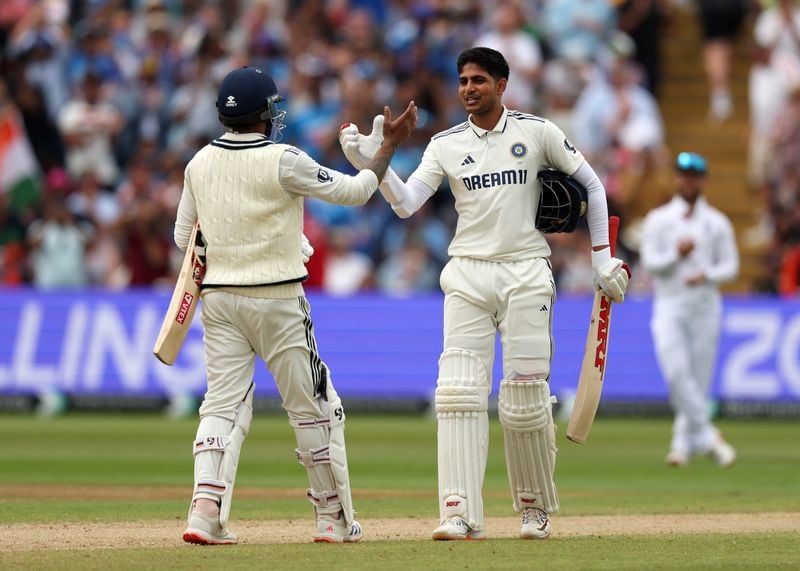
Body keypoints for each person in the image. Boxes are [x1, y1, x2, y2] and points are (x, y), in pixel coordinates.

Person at [339, 47, 630, 540]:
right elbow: (408, 205)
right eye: (462, 80)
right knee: (456, 394)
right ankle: (459, 512)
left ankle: (533, 509)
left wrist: (602, 258)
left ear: (501, 84)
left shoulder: (537, 132)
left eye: (478, 80)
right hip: (468, 274)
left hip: (526, 272)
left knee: (523, 400)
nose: (468, 88)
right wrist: (377, 164)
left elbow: (593, 187)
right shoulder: (446, 144)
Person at [174, 66, 417, 545]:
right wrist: (387, 146)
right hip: (278, 298)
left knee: (221, 406)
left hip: (219, 300)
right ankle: (331, 517)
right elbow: (356, 191)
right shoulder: (284, 158)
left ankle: (204, 512)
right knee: (313, 408)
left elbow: (186, 238)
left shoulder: (198, 162)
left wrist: (258, 241)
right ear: (264, 113)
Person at [639, 152, 739, 468]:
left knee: (698, 380)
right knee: (676, 372)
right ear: (677, 178)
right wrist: (675, 255)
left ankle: (681, 444)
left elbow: (731, 267)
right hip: (669, 306)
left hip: (705, 307)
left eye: (694, 175)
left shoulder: (717, 222)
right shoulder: (659, 219)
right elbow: (651, 264)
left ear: (703, 180)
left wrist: (706, 274)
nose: (688, 181)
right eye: (683, 175)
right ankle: (709, 438)